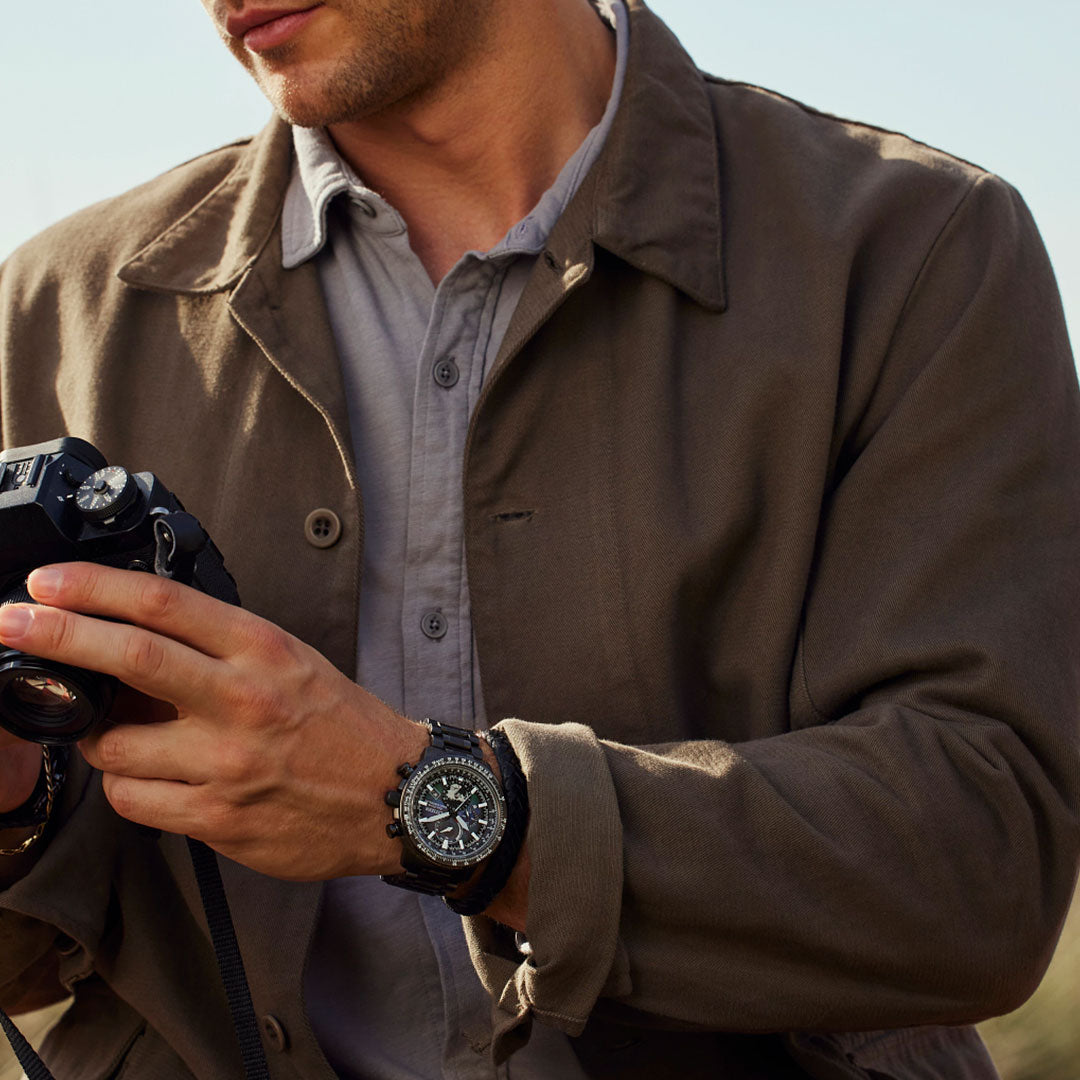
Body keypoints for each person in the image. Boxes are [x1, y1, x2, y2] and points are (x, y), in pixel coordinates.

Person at [1, 0, 1077, 1077]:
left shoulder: (913, 248)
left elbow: (980, 867)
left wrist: (436, 806)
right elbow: (32, 952)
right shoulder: (57, 306)